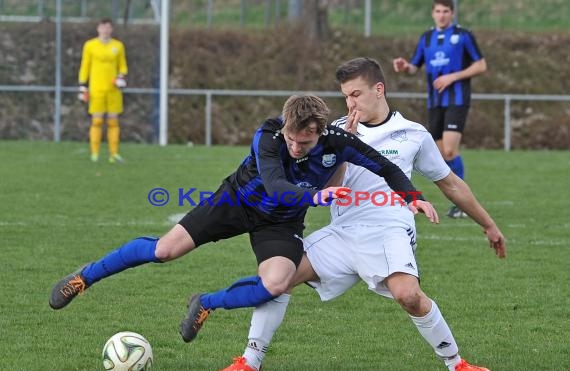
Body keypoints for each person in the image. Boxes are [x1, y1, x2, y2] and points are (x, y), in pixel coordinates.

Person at [205, 58, 506, 371]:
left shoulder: (412, 134)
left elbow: (450, 183)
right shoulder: (328, 131)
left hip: (389, 228)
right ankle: (251, 360)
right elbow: (326, 190)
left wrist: (488, 224)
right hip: (343, 230)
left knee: (408, 296)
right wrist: (339, 153)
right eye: (346, 96)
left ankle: (457, 363)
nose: (350, 103)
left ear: (379, 89)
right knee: (281, 277)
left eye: (356, 94)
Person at [49, 95, 437, 321]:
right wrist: (317, 197)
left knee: (275, 284)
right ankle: (85, 277)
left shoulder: (337, 142)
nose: (295, 147)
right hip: (233, 204)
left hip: (281, 223)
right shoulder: (268, 136)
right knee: (164, 251)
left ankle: (206, 303)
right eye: (291, 138)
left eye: (304, 143)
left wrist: (412, 196)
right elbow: (277, 185)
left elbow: (384, 166)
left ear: (320, 133)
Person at [392, 0, 487, 218]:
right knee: (443, 155)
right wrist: (404, 67)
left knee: (451, 150)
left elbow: (481, 65)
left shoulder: (463, 36)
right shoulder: (426, 38)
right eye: (438, 11)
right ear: (433, 13)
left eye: (446, 11)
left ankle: (462, 206)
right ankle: (459, 200)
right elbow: (414, 67)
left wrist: (453, 76)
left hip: (457, 100)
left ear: (452, 14)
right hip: (435, 103)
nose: (442, 15)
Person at [78, 18, 128, 163]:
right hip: (96, 89)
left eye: (108, 27)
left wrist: (120, 77)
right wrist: (82, 85)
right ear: (98, 28)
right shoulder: (90, 45)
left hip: (113, 90)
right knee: (97, 121)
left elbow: (123, 66)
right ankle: (95, 153)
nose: (105, 30)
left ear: (111, 29)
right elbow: (85, 65)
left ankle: (114, 154)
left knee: (113, 122)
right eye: (103, 27)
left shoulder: (118, 46)